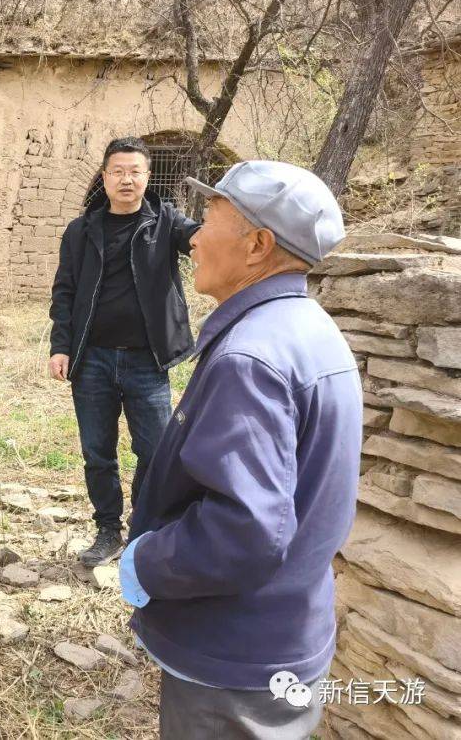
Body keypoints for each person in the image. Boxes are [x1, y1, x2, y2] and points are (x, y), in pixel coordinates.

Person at [119, 161, 361, 739]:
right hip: (283, 632)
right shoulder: (309, 329)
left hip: (235, 659)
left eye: (209, 219)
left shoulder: (250, 359)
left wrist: (146, 561)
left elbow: (245, 532)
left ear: (257, 245)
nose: (194, 238)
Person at [48, 137, 199, 567]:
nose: (126, 179)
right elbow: (65, 292)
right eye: (118, 171)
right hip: (92, 360)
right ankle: (107, 530)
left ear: (147, 177)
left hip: (147, 362)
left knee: (154, 452)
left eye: (135, 172)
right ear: (105, 176)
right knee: (98, 453)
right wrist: (61, 346)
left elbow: (200, 240)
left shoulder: (165, 222)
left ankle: (144, 532)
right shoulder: (82, 231)